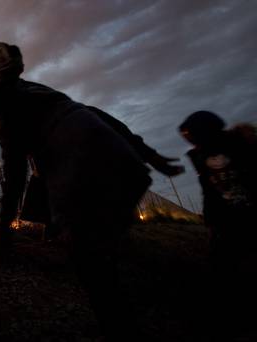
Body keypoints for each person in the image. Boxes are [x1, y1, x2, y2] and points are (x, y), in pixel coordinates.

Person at [0, 42, 152, 340]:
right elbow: (97, 115)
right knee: (103, 253)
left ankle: (121, 328)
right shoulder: (41, 92)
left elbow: (15, 170)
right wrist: (146, 152)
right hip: (125, 166)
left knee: (94, 268)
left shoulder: (5, 105)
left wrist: (2, 228)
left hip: (83, 176)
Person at [21, 105, 185, 241]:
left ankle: (93, 234)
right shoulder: (41, 134)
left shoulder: (83, 119)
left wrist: (150, 156)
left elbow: (123, 133)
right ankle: (58, 231)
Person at [179, 111, 257, 337]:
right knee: (224, 268)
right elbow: (209, 188)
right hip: (227, 222)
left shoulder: (242, 146)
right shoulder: (200, 156)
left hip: (248, 217)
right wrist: (211, 217)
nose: (189, 141)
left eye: (190, 135)